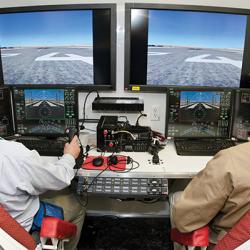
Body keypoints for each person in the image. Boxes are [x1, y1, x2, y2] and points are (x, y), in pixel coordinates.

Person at [0, 136, 85, 250]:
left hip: (4, 236)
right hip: (20, 235)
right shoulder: (13, 154)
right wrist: (70, 155)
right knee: (78, 203)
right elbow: (59, 178)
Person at [170, 141, 250, 246]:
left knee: (176, 197)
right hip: (244, 238)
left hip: (226, 240)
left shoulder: (231, 159)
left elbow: (185, 222)